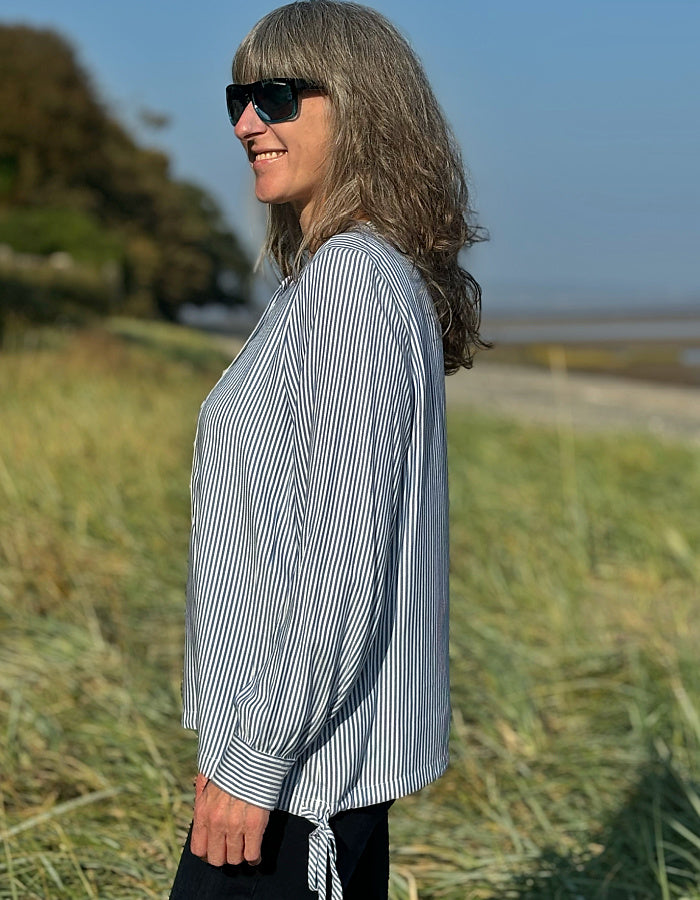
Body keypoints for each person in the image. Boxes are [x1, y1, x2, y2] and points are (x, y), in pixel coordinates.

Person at [170, 1, 486, 897]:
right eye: (239, 97)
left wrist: (253, 763)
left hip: (298, 786)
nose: (244, 123)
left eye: (274, 96)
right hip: (297, 768)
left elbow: (341, 564)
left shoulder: (353, 282)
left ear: (360, 106)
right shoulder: (347, 278)